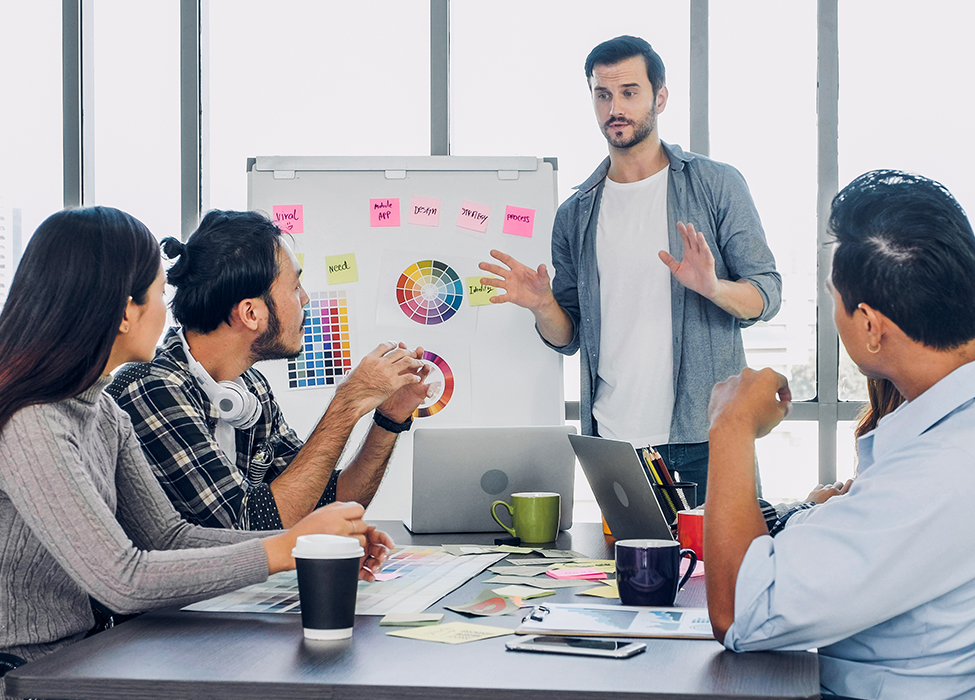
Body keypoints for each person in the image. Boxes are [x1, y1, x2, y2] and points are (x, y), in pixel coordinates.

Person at [0, 207, 391, 691]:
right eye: (160, 294)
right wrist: (288, 546)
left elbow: (168, 538)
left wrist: (311, 544)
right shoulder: (33, 420)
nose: (170, 311)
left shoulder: (102, 414)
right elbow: (123, 578)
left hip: (84, 656)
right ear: (125, 313)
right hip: (25, 672)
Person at [705, 170, 975, 699]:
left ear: (871, 325)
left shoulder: (942, 467)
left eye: (834, 300)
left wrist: (731, 425)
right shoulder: (941, 429)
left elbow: (739, 614)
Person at [479, 35, 781, 502]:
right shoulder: (576, 212)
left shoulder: (716, 184)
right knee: (622, 574)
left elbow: (766, 293)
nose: (614, 107)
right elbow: (570, 335)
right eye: (603, 94)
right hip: (616, 445)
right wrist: (542, 306)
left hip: (705, 436)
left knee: (720, 572)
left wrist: (713, 287)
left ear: (659, 97)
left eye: (629, 92)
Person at [108, 210, 434, 530]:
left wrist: (389, 419)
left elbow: (325, 505)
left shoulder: (250, 386)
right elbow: (246, 527)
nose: (305, 299)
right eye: (295, 287)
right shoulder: (151, 389)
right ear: (251, 313)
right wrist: (346, 404)